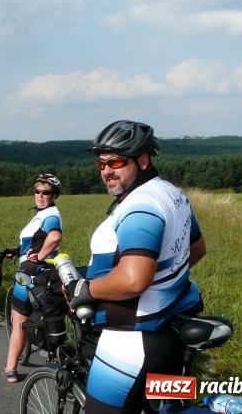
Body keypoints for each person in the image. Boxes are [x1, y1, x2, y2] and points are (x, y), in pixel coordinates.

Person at [64, 120, 206, 413]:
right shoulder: (173, 194)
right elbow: (197, 248)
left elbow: (132, 280)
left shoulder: (141, 205)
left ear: (142, 161)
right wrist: (162, 280)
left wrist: (87, 289)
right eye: (100, 164)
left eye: (116, 161)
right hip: (170, 332)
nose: (106, 171)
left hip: (130, 341)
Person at [2, 173, 64, 382]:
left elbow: (55, 237)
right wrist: (17, 250)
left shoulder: (51, 216)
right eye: (37, 191)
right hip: (45, 276)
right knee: (36, 317)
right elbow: (36, 241)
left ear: (54, 195)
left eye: (45, 192)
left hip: (28, 274)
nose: (40, 195)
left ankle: (10, 368)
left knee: (19, 318)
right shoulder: (42, 214)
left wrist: (37, 257)